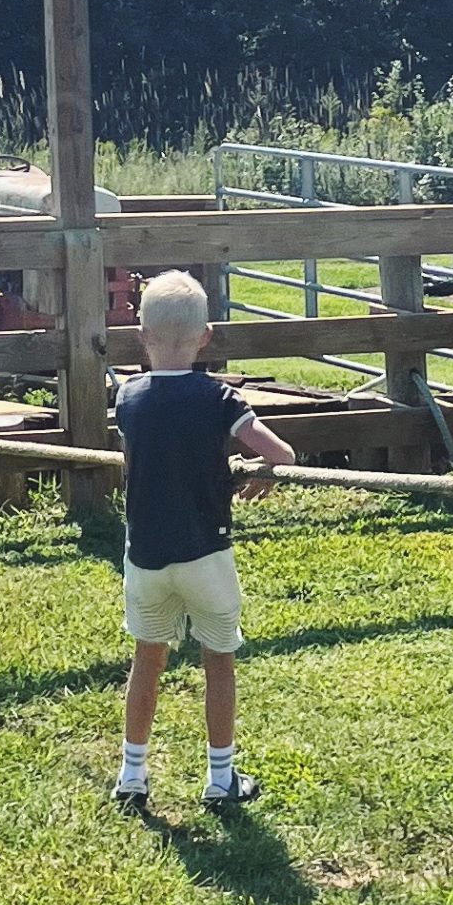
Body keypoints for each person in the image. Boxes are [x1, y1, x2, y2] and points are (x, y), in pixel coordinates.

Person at [111, 269, 297, 816]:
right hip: (206, 554)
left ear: (141, 335)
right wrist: (262, 467)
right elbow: (281, 452)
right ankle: (221, 778)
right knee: (219, 660)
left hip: (145, 556)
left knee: (147, 659)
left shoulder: (127, 397)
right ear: (206, 336)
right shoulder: (220, 397)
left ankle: (132, 773)